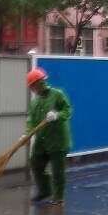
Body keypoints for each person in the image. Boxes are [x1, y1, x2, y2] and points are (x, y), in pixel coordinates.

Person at [25, 68, 73, 206]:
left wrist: (57, 115)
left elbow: (68, 110)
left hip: (58, 140)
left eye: (33, 86)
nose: (33, 89)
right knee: (35, 163)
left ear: (40, 83)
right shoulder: (35, 102)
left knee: (58, 170)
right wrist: (26, 134)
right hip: (42, 140)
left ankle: (58, 197)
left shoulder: (57, 94)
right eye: (31, 87)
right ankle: (44, 190)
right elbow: (31, 120)